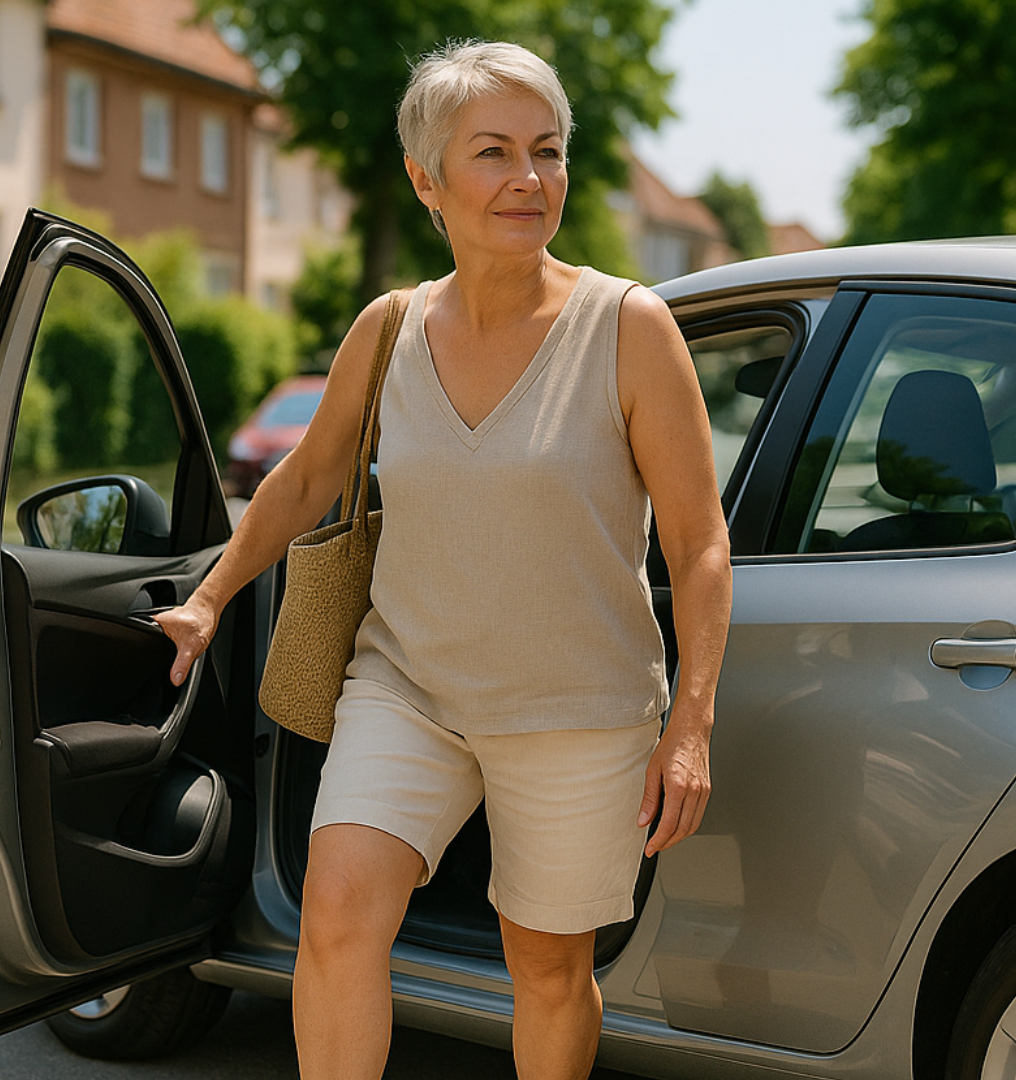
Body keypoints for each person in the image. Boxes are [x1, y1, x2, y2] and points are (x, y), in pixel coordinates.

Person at [156, 40, 731, 1080]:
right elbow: (301, 482)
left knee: (547, 972)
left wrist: (688, 726)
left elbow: (699, 543)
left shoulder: (629, 328)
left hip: (578, 710)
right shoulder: (388, 330)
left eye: (548, 152)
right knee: (333, 910)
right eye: (495, 152)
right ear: (426, 180)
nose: (529, 178)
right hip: (408, 689)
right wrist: (206, 600)